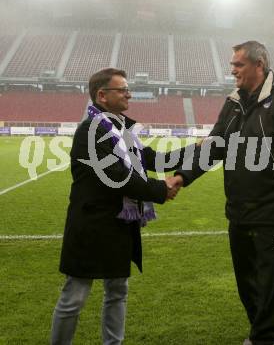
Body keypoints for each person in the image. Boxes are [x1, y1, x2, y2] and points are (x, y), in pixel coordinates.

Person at [169, 41, 274, 345]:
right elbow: (215, 145)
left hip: (272, 211)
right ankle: (259, 333)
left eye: (238, 65)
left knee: (270, 283)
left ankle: (263, 338)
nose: (232, 70)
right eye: (232, 65)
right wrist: (183, 176)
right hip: (239, 210)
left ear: (259, 65)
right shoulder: (233, 102)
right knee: (246, 281)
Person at [51, 67, 189, 345]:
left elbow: (153, 159)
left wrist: (196, 150)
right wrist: (160, 189)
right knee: (74, 297)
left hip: (118, 224)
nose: (129, 94)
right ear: (102, 95)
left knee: (117, 291)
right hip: (91, 226)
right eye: (122, 89)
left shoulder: (121, 129)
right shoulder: (91, 131)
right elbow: (118, 178)